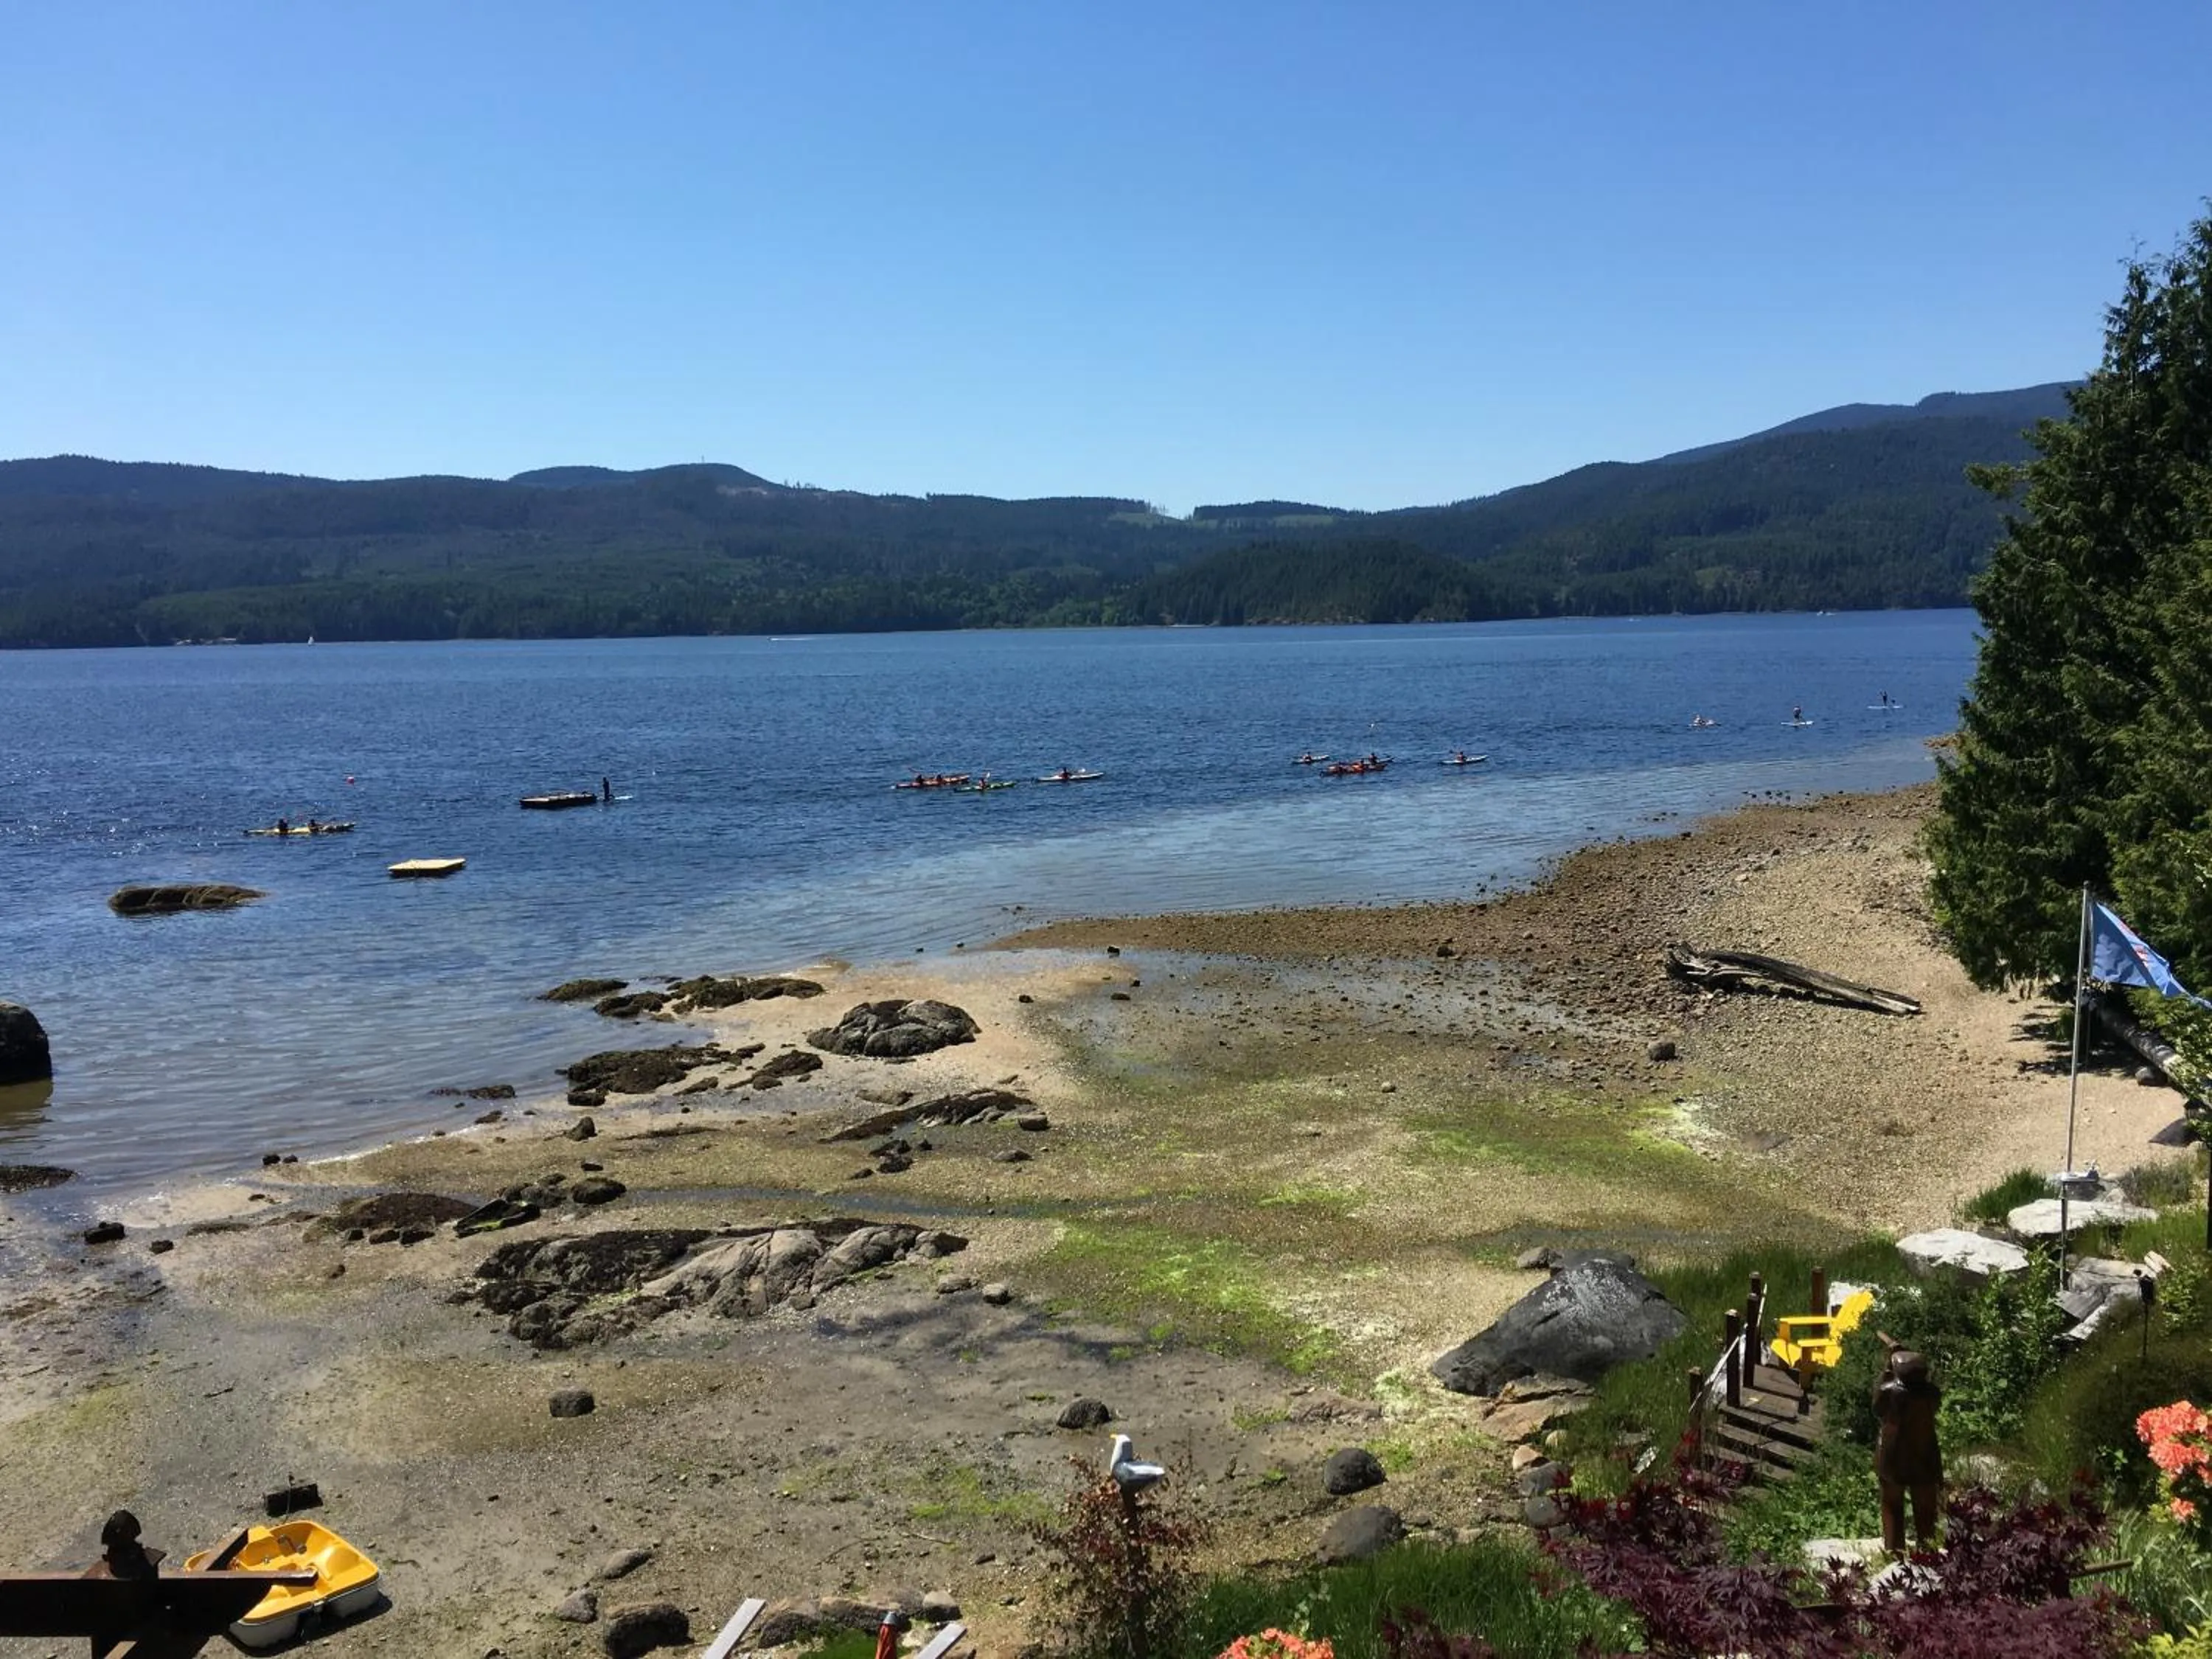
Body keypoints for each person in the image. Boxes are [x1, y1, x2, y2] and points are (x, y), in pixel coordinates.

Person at [1874, 1345, 1943, 1551]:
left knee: (1892, 1505)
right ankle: (1927, 1549)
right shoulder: (1931, 1393)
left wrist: (1887, 1368)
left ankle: (1894, 1549)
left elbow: (1877, 1408)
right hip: (1925, 1455)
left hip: (1893, 1457)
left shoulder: (1889, 1392)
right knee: (1925, 1508)